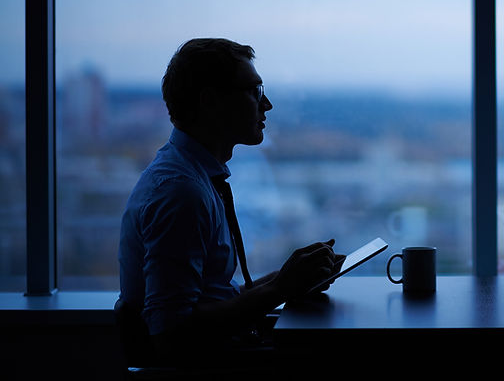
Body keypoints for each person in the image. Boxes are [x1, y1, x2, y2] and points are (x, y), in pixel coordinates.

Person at [119, 38, 344, 366]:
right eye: (254, 91)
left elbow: (211, 300)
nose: (266, 105)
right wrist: (281, 287)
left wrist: (289, 278)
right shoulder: (181, 193)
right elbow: (171, 336)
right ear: (210, 101)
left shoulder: (188, 178)